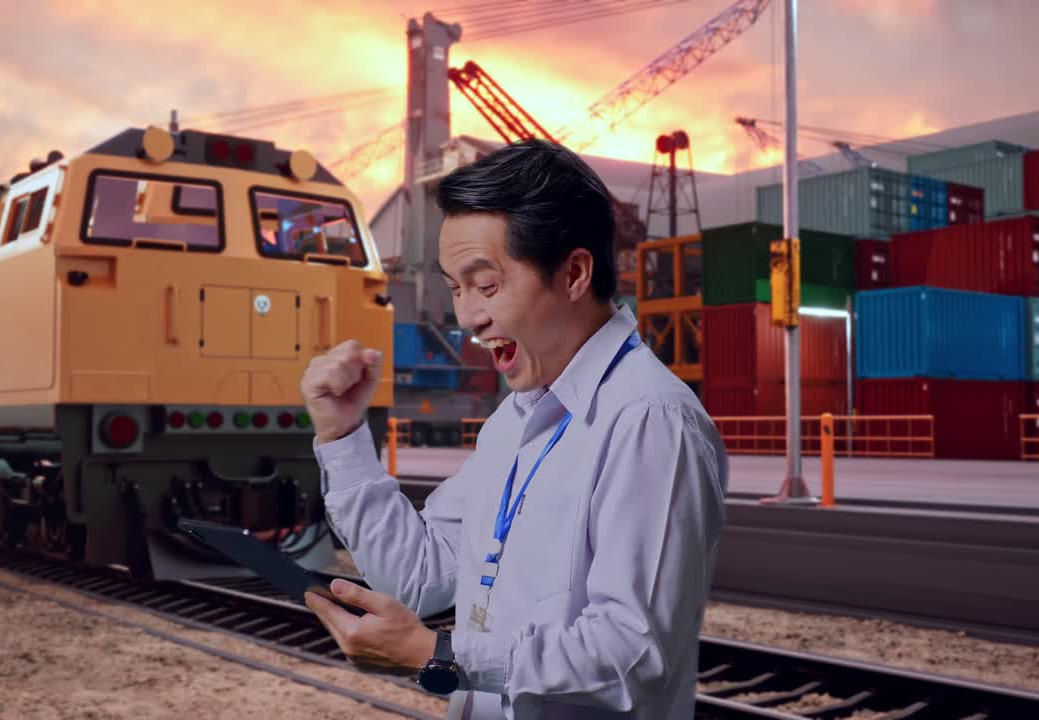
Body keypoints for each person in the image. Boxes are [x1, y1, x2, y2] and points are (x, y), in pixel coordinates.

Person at [300, 138, 728, 719]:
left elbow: (631, 653)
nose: (468, 316)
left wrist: (440, 653)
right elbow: (419, 575)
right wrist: (342, 436)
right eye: (455, 287)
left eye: (486, 284)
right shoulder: (515, 420)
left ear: (575, 272)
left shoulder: (649, 420)